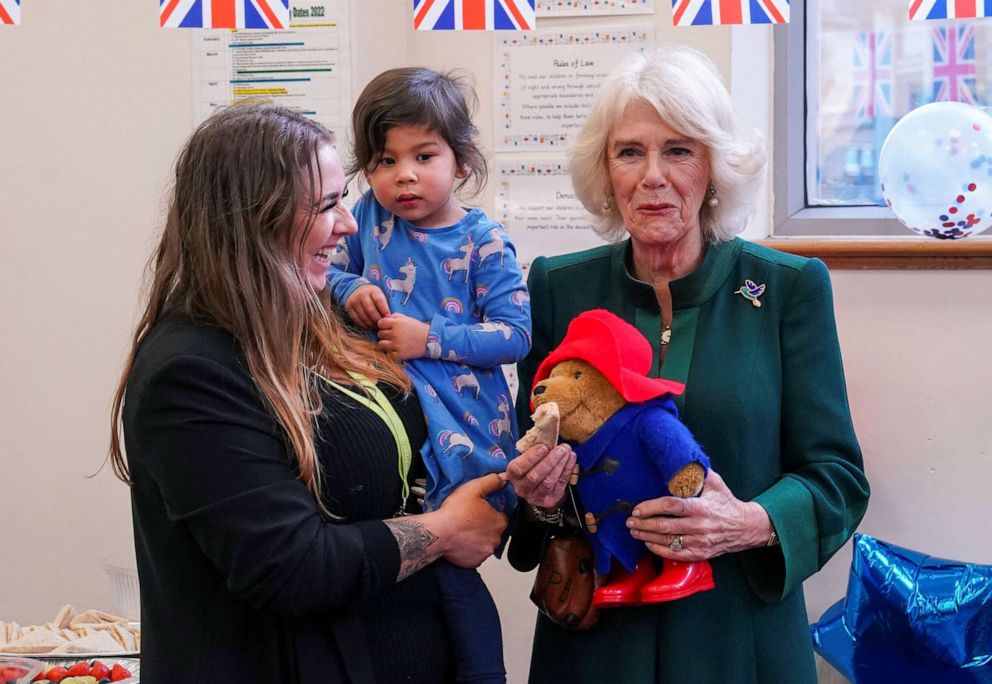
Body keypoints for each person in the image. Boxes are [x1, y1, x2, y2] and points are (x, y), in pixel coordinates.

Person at [108, 104, 511, 684]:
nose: (349, 224)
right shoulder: (191, 370)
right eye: (326, 206)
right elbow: (296, 568)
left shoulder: (318, 323)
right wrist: (447, 529)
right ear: (255, 221)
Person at [504, 46, 871, 683]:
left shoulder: (787, 288)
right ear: (605, 168)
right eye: (630, 152)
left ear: (715, 167)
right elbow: (529, 457)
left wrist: (750, 522)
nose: (653, 175)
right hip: (598, 638)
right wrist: (536, 497)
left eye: (679, 150)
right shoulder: (557, 287)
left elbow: (837, 476)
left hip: (737, 633)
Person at [326, 67, 531, 683]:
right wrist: (350, 287)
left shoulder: (484, 241)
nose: (404, 175)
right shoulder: (365, 218)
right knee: (401, 555)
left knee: (452, 563)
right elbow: (327, 274)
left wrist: (430, 338)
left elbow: (515, 335)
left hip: (469, 429)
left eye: (424, 155)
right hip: (391, 417)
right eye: (385, 160)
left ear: (461, 161)